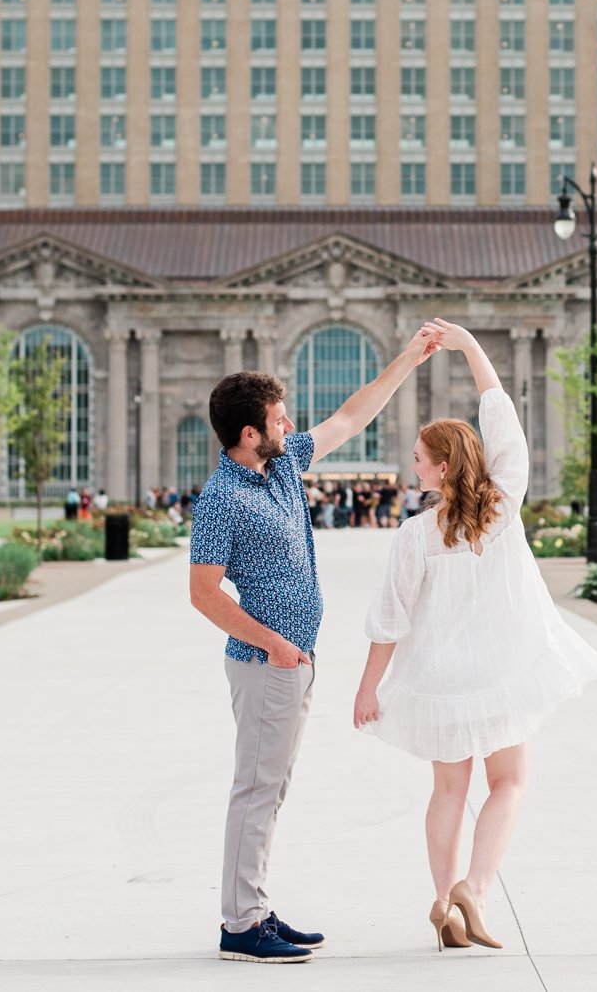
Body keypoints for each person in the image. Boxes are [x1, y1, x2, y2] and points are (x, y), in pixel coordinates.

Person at [353, 319, 597, 954]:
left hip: (442, 682)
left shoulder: (415, 535)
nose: (411, 466)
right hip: (501, 673)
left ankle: (444, 904)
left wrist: (368, 688)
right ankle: (477, 889)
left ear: (441, 468)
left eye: (418, 458)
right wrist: (470, 346)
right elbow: (504, 428)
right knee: (511, 783)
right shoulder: (501, 510)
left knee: (448, 790)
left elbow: (389, 619)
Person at [188, 323, 441, 965]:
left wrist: (407, 358)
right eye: (278, 417)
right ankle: (241, 925)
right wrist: (274, 644)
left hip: (290, 663)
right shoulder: (222, 499)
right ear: (250, 432)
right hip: (266, 663)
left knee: (268, 787)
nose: (289, 423)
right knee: (257, 787)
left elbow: (350, 417)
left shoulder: (281, 467)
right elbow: (203, 593)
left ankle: (253, 908)